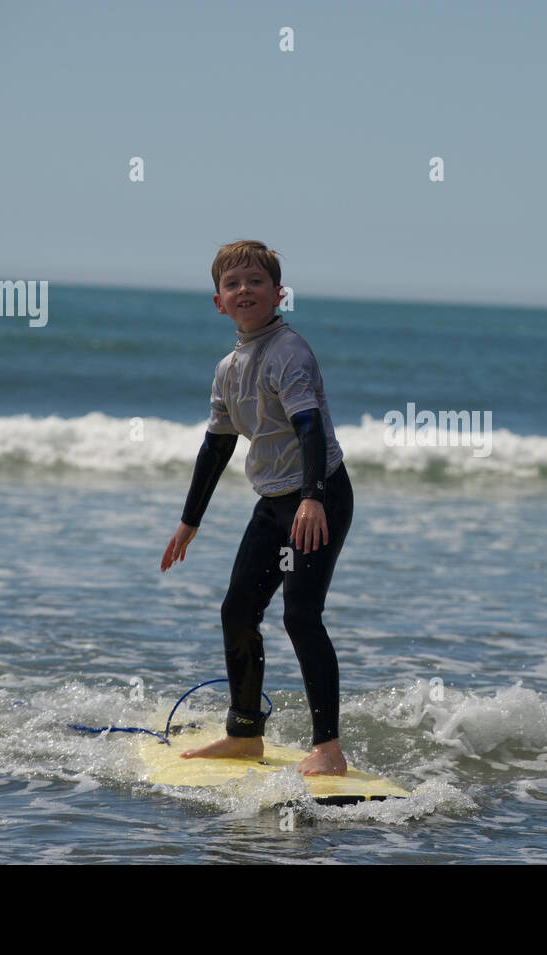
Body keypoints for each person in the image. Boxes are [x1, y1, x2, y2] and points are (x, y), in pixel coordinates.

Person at [159, 240, 353, 776]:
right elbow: (216, 446)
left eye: (256, 281)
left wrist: (312, 498)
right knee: (237, 610)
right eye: (233, 283)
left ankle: (329, 749)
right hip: (274, 503)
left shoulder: (288, 352)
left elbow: (308, 426)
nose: (245, 289)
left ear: (278, 293)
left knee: (300, 614)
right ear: (219, 302)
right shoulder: (228, 368)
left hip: (319, 497)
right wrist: (188, 521)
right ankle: (244, 736)